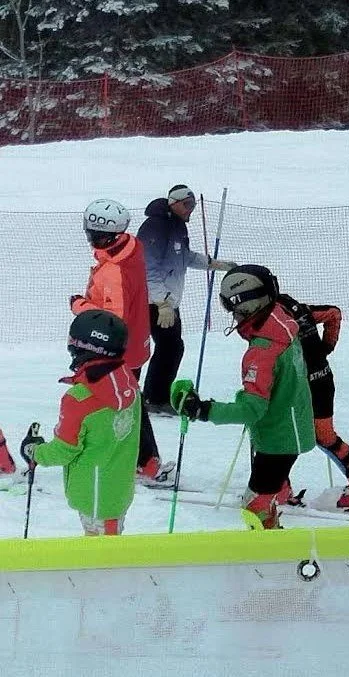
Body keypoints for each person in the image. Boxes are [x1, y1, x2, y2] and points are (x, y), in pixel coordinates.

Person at [171, 265, 315, 529]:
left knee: (254, 505)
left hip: (278, 439)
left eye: (236, 311)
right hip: (292, 427)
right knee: (263, 493)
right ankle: (270, 508)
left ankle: (267, 548)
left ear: (249, 306)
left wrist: (202, 410)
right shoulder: (281, 322)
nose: (235, 318)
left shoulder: (261, 352)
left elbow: (252, 410)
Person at [70, 199, 171, 485]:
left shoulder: (113, 269)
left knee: (115, 402)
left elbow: (113, 318)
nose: (91, 239)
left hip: (116, 349)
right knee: (130, 400)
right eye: (89, 232)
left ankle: (143, 461)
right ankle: (147, 460)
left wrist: (81, 305)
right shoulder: (130, 250)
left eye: (95, 234)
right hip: (135, 343)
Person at [19, 310, 141, 536]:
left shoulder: (79, 399)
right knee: (108, 543)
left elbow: (64, 451)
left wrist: (35, 451)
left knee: (102, 556)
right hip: (117, 489)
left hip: (94, 496)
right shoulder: (128, 383)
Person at [275, 289, 349, 509]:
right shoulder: (298, 309)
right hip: (322, 380)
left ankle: (276, 489)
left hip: (303, 385)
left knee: (287, 431)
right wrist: (326, 347)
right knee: (320, 436)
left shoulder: (274, 318)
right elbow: (333, 313)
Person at [138, 185, 235, 415]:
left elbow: (185, 256)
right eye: (186, 204)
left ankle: (155, 396)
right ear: (173, 202)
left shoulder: (177, 226)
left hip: (170, 302)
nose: (190, 209)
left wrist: (214, 264)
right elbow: (146, 268)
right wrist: (161, 303)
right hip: (156, 303)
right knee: (170, 347)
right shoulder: (156, 226)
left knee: (171, 347)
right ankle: (154, 398)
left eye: (192, 205)